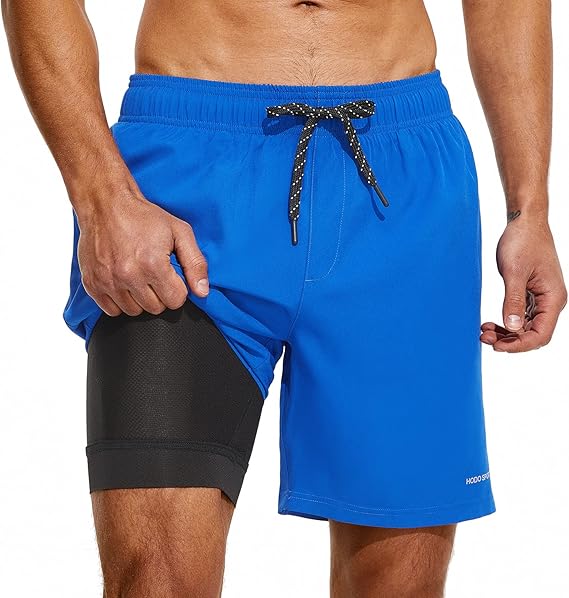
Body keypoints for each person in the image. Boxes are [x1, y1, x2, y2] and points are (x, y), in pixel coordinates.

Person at [3, 0, 566, 596]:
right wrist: (102, 199)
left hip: (402, 188)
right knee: (155, 580)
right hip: (188, 189)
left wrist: (529, 209)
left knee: (399, 586)